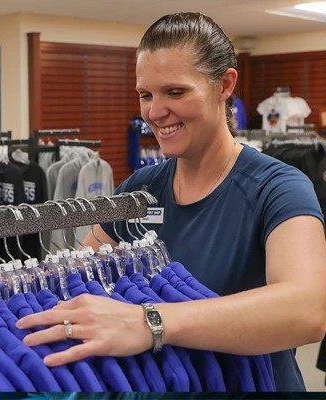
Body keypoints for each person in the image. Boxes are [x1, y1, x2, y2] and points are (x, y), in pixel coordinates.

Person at [16, 12, 326, 392]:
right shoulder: (139, 189)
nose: (154, 112)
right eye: (146, 95)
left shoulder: (279, 187)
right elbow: (81, 278)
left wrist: (150, 323)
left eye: (175, 92)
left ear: (225, 84)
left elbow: (307, 311)